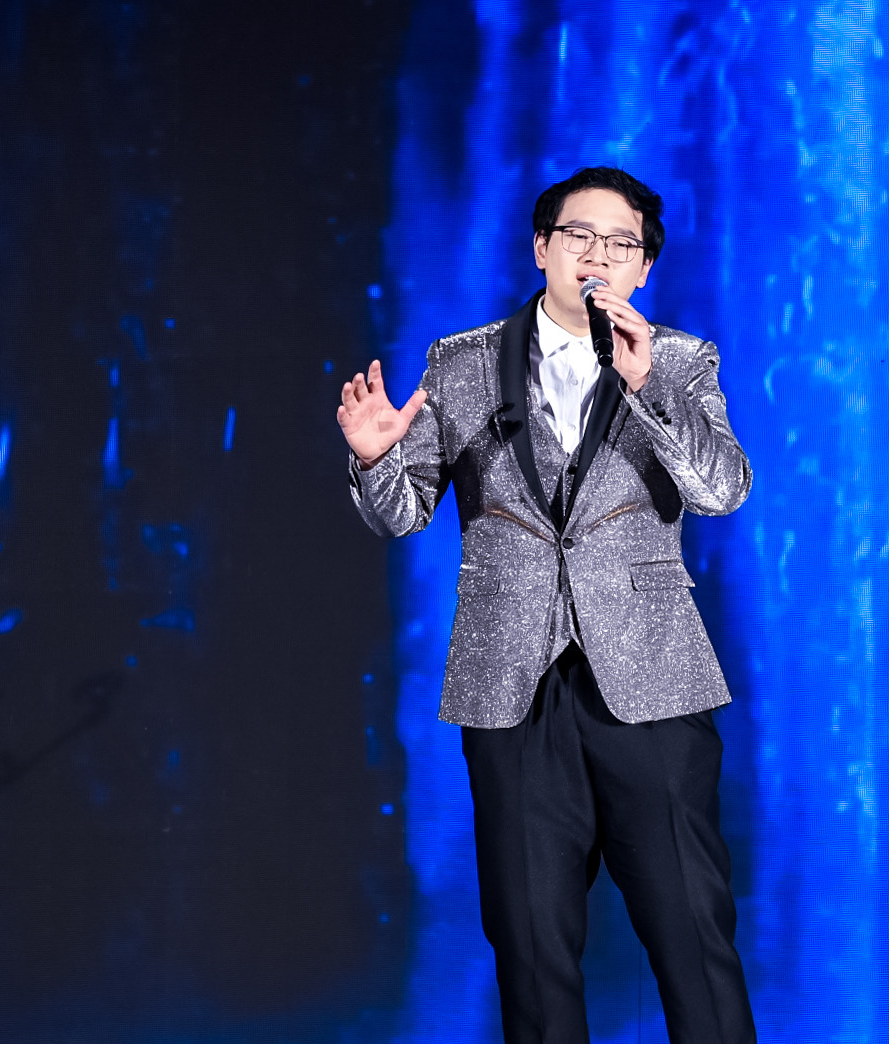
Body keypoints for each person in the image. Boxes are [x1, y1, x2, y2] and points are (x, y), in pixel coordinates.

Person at [338, 166, 756, 1044]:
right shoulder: (461, 363)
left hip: (652, 682)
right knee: (529, 943)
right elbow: (402, 515)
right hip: (509, 687)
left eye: (620, 243)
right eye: (578, 236)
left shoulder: (680, 361)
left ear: (643, 266)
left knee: (691, 931)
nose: (597, 255)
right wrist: (375, 460)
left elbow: (721, 491)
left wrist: (647, 390)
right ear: (541, 248)